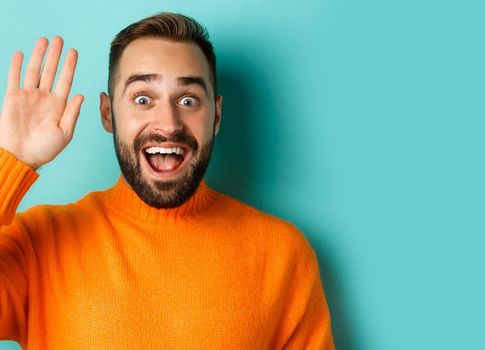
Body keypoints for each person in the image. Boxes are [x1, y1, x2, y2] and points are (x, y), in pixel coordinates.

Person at [0, 12, 335, 349]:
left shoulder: (283, 254)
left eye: (188, 100)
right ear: (107, 114)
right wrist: (11, 160)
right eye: (143, 99)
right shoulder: (38, 244)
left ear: (216, 116)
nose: (169, 123)